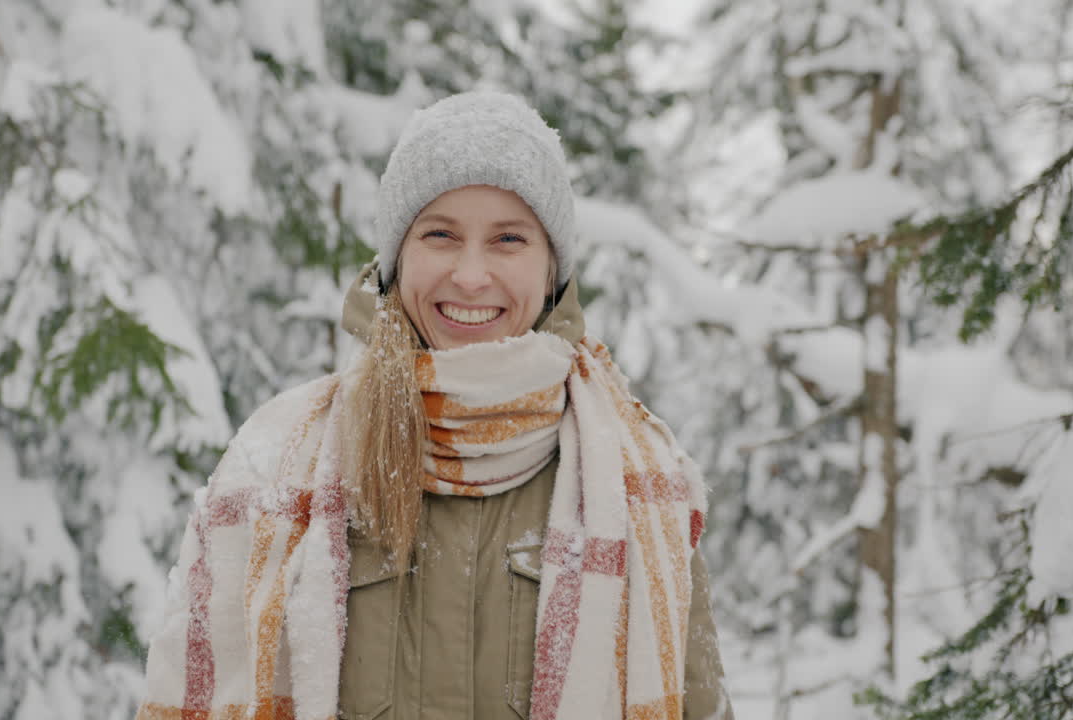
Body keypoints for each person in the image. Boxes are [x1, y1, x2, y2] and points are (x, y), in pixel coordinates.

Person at [134, 91, 734, 720]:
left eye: (508, 239)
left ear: (553, 266)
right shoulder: (275, 466)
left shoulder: (639, 485)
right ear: (397, 260)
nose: (471, 276)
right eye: (441, 234)